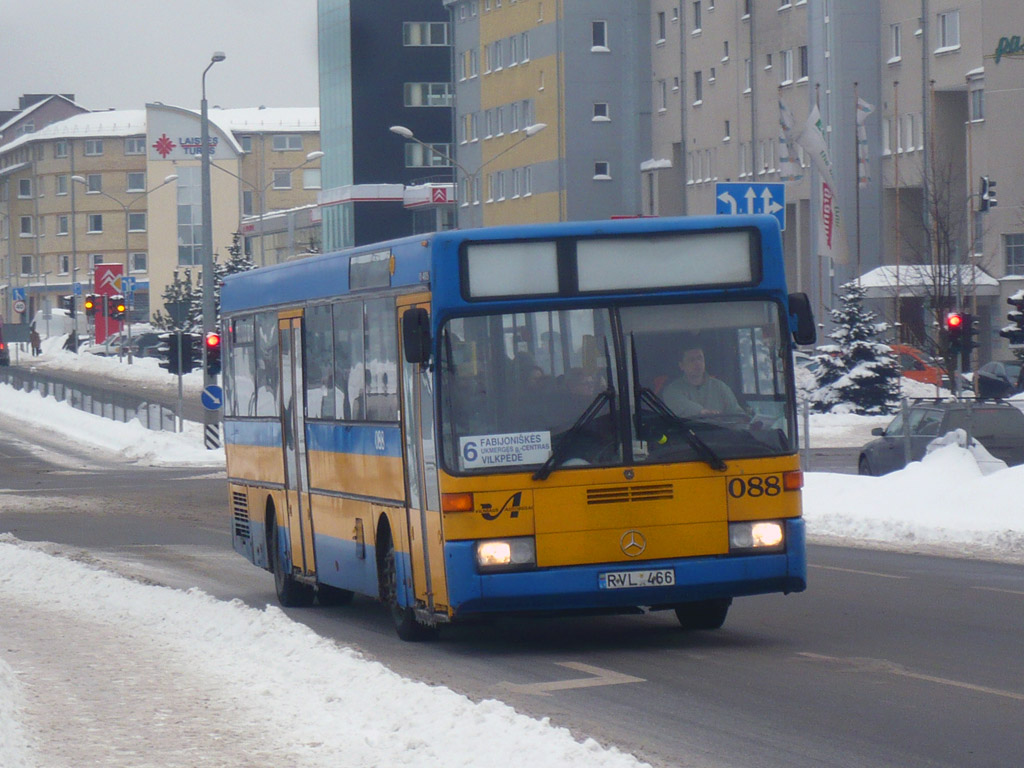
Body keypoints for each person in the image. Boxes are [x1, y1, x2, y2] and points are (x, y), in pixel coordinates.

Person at [661, 336, 743, 418]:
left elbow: (737, 414)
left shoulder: (720, 387)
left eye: (700, 358)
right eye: (691, 360)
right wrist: (701, 412)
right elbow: (680, 405)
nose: (697, 363)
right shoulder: (672, 390)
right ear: (681, 365)